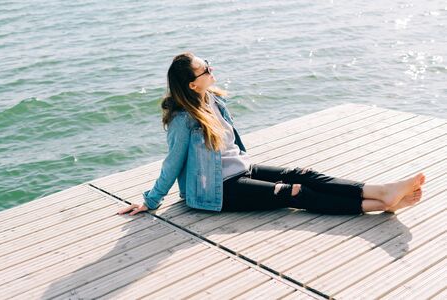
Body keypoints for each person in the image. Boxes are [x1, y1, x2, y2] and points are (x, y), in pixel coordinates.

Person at [118, 52, 425, 217]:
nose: (211, 69)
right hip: (215, 191)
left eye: (207, 64)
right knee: (292, 193)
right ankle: (379, 203)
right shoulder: (183, 121)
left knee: (303, 174)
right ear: (192, 85)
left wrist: (248, 166)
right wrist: (151, 201)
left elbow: (234, 146)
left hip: (240, 171)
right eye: (205, 69)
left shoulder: (214, 99)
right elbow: (172, 163)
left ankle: (380, 191)